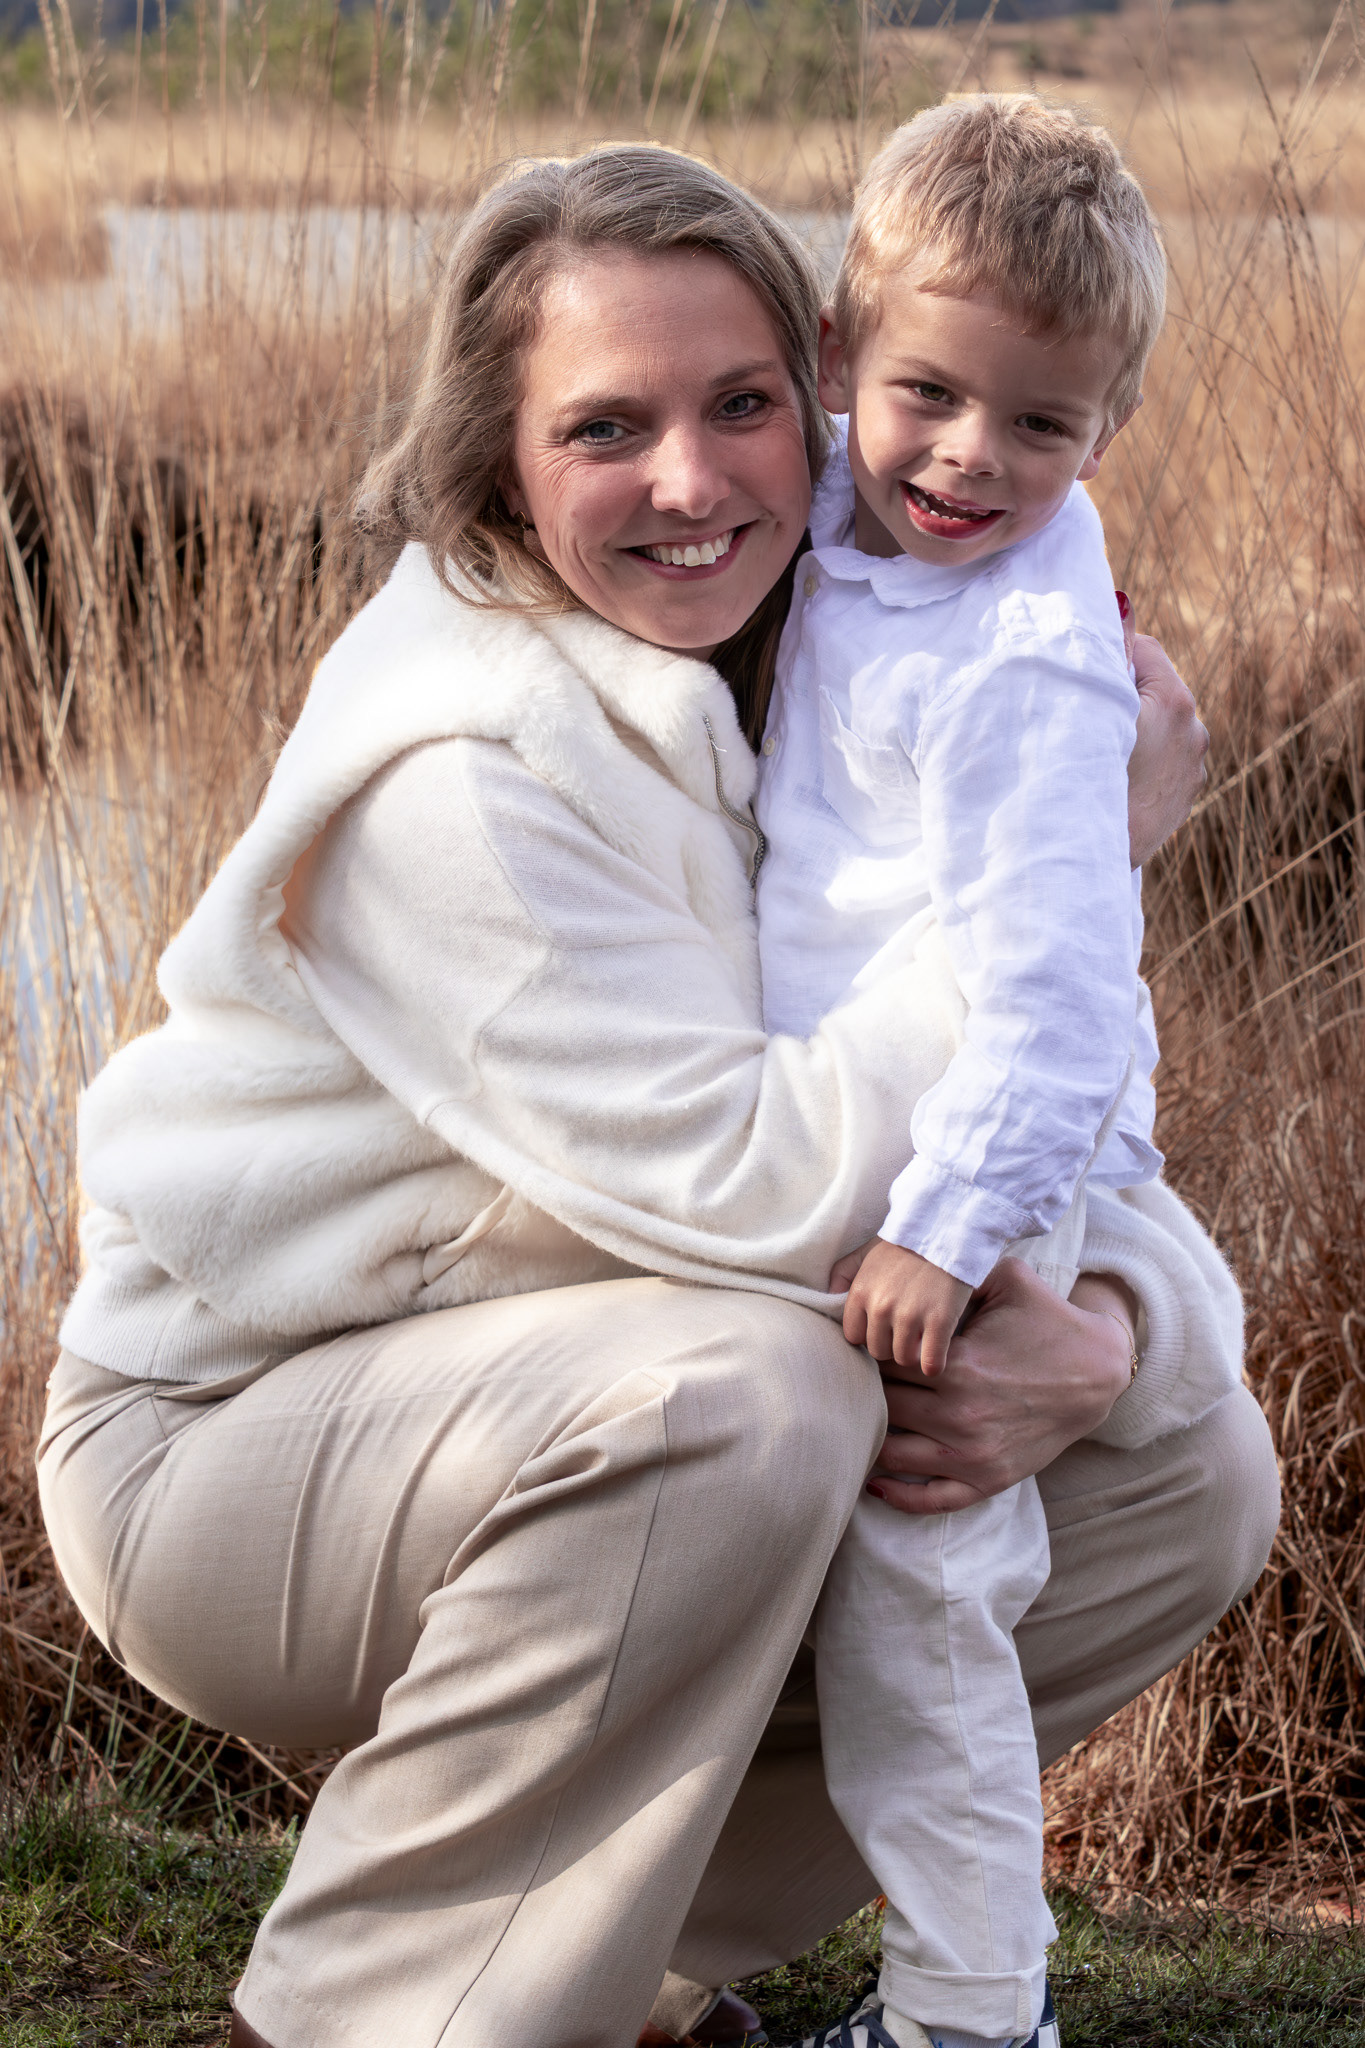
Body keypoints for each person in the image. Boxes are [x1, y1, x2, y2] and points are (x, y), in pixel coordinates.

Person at [34, 146, 1277, 2048]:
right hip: (237, 1438)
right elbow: (768, 1198)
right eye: (604, 427)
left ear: (821, 392)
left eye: (739, 406)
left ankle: (609, 1958)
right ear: (496, 457)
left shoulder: (834, 626)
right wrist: (1076, 870)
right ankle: (366, 2014)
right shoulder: (456, 776)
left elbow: (1026, 1113)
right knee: (759, 1396)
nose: (690, 482)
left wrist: (1116, 1328)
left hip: (588, 1382)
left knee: (1190, 1475)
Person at [754, 99, 1198, 2048]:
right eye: (925, 393)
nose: (965, 457)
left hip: (991, 1159)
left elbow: (1060, 998)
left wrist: (946, 1228)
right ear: (837, 352)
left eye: (1039, 424)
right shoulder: (834, 527)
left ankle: (965, 2013)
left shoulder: (1021, 657)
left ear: (1106, 426)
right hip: (885, 1128)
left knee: (922, 1576)